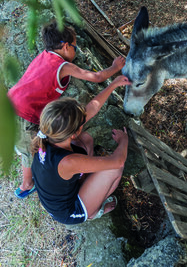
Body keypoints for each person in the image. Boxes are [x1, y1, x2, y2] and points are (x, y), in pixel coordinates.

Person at [8, 20, 126, 198]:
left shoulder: (44, 55)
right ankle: (26, 183)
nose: (75, 52)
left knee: (22, 142)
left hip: (11, 102)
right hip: (25, 112)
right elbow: (96, 77)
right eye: (75, 48)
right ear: (65, 46)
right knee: (28, 150)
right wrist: (115, 67)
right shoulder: (63, 66)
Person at [31, 73, 131, 224]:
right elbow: (118, 161)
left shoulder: (49, 135)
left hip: (60, 193)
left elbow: (92, 108)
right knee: (114, 169)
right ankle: (94, 210)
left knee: (85, 139)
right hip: (71, 211)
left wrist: (113, 85)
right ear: (72, 133)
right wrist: (124, 141)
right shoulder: (68, 162)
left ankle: (85, 183)